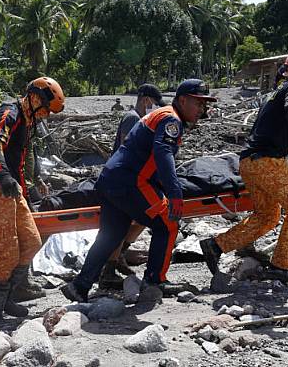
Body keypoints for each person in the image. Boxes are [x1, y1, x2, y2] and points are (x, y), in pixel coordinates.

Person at [61, 79, 216, 302]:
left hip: (111, 179)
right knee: (168, 223)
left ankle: (80, 285)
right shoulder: (172, 119)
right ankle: (155, 280)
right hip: (131, 182)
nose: (202, 110)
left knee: (112, 234)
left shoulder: (163, 114)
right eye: (199, 103)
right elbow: (163, 154)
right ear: (183, 100)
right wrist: (174, 194)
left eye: (204, 105)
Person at [200, 44, 288, 286]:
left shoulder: (276, 91)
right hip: (267, 161)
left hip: (249, 162)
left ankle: (216, 246)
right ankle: (282, 266)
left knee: (267, 216)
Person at [0, 77, 65, 324]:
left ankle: (7, 297)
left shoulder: (27, 120)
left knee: (32, 241)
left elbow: (20, 162)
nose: (46, 115)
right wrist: (3, 175)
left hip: (11, 187)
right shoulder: (9, 113)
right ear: (36, 98)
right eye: (46, 109)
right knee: (8, 252)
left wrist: (25, 192)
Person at [100, 83, 166, 289]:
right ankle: (108, 270)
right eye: (155, 104)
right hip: (124, 180)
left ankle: (119, 257)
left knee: (141, 220)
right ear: (146, 100)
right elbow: (128, 149)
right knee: (123, 223)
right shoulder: (133, 119)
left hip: (133, 179)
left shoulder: (140, 119)